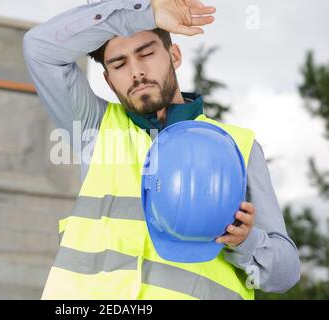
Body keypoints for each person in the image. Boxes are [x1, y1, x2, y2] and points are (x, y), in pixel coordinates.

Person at [23, 0, 300, 299]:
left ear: (174, 55)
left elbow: (285, 273)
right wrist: (144, 13)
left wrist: (246, 241)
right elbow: (39, 48)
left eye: (147, 53)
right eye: (119, 64)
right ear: (108, 79)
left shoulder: (237, 146)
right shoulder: (94, 127)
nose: (137, 72)